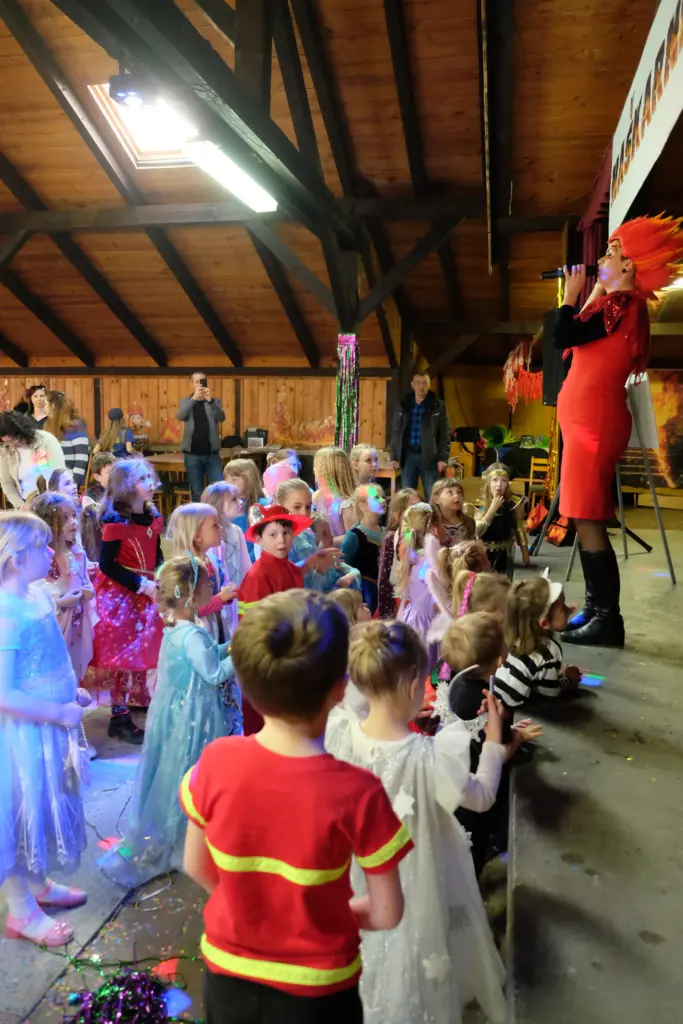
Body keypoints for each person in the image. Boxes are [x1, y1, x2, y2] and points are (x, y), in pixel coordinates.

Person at [180, 590, 411, 1024]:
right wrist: (318, 915)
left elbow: (196, 864)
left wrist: (254, 908)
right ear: (340, 689)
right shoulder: (360, 792)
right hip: (320, 991)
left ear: (246, 684)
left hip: (228, 975)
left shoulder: (214, 761)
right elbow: (386, 911)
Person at [325, 620, 506, 1024]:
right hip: (417, 879)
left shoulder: (338, 731)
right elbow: (481, 796)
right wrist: (494, 742)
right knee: (413, 941)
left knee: (372, 943)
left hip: (359, 872)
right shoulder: (430, 756)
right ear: (412, 688)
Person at [553, 216, 683, 647]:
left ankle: (608, 619)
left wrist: (569, 297)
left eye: (611, 252)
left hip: (594, 424)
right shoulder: (614, 305)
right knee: (582, 514)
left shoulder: (623, 305)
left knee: (588, 516)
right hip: (587, 422)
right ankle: (596, 609)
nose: (602, 259)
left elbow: (563, 334)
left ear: (629, 265)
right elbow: (575, 342)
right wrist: (593, 290)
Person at [99, 555, 240, 887]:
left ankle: (180, 833)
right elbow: (213, 673)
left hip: (177, 713)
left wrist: (228, 646)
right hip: (195, 718)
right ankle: (184, 840)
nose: (212, 586)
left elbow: (207, 655)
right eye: (207, 583)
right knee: (191, 771)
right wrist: (239, 654)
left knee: (175, 770)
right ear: (191, 593)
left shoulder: (177, 628)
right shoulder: (192, 635)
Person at [0, 510, 89, 947]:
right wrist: (57, 713)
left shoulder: (35, 594)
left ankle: (37, 884)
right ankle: (20, 909)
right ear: (16, 557)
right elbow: (4, 694)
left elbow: (49, 655)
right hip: (23, 735)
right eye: (41, 545)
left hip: (50, 725)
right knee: (19, 812)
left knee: (43, 802)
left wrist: (73, 691)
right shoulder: (5, 612)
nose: (51, 551)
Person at [433, 613, 543, 877]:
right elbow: (496, 753)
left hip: (455, 785)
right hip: (475, 792)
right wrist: (516, 738)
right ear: (499, 660)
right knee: (473, 849)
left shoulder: (456, 684)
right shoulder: (484, 702)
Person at [91, 459, 164, 744]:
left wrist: (160, 573)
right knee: (122, 652)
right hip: (121, 592)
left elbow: (156, 552)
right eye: (142, 479)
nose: (150, 483)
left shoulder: (152, 515)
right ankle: (118, 717)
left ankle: (137, 697)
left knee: (143, 645)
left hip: (147, 589)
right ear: (125, 487)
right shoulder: (116, 521)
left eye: (149, 477)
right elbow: (107, 564)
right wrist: (140, 584)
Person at [31, 493, 97, 688]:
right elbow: (34, 596)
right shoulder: (41, 557)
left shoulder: (77, 552)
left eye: (74, 516)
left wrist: (88, 591)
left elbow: (83, 581)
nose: (73, 523)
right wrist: (61, 602)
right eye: (65, 518)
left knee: (73, 669)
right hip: (54, 627)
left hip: (76, 625)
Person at [495, 574, 581, 709]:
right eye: (563, 608)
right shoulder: (549, 651)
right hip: (511, 706)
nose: (567, 609)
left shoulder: (513, 635)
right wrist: (568, 680)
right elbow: (550, 692)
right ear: (545, 623)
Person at [167, 502, 238, 645]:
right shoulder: (185, 567)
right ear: (197, 535)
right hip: (196, 636)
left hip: (214, 627)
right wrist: (219, 599)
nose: (221, 528)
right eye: (215, 525)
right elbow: (186, 609)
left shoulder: (210, 559)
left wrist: (224, 597)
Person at [201, 481, 251, 638]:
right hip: (224, 597)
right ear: (218, 505)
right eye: (234, 499)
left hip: (238, 593)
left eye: (239, 498)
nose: (241, 502)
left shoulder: (237, 531)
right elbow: (216, 572)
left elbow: (246, 566)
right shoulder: (214, 537)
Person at [389, 370, 450, 498]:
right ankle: (410, 512)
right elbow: (396, 432)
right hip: (408, 456)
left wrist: (443, 458)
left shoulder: (438, 406)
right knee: (407, 495)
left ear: (429, 385)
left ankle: (430, 512)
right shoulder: (404, 405)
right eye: (418, 383)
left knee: (432, 494)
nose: (421, 386)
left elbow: (444, 433)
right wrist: (394, 456)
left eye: (424, 383)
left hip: (429, 457)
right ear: (412, 385)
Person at [274, 478, 342, 587]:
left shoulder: (308, 535)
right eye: (297, 507)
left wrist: (323, 565)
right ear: (280, 507)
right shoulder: (275, 540)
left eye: (308, 507)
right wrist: (312, 561)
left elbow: (315, 579)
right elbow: (279, 578)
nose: (304, 513)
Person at [395, 503, 439, 665]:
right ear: (433, 529)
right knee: (426, 665)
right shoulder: (430, 561)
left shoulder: (412, 555)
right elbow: (437, 600)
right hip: (427, 624)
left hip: (413, 617)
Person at [177, 372, 227, 501]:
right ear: (192, 384)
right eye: (197, 382)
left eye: (202, 381)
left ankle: (217, 514)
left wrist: (210, 400)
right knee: (197, 492)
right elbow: (181, 416)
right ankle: (199, 515)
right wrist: (194, 399)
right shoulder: (185, 401)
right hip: (192, 455)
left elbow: (221, 418)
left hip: (212, 454)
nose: (200, 384)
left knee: (218, 491)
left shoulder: (215, 401)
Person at [0, 411, 66, 508]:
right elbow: (6, 482)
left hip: (51, 501)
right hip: (25, 502)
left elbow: (59, 475)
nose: (12, 444)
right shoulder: (6, 450)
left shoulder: (47, 440)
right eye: (7, 442)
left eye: (15, 438)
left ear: (23, 432)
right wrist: (20, 506)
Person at [475, 463, 529, 578]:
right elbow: (477, 531)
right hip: (485, 553)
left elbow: (519, 527)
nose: (499, 485)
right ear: (488, 482)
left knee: (505, 583)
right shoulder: (480, 505)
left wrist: (525, 553)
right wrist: (493, 508)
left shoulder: (514, 503)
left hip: (506, 552)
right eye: (495, 480)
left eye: (503, 481)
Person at [340, 484, 386, 615]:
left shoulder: (387, 533)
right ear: (362, 505)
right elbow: (343, 566)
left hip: (385, 592)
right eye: (376, 498)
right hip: (366, 596)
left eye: (383, 497)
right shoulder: (354, 536)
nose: (383, 501)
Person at [376, 487, 420, 618]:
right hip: (399, 604)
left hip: (421, 605)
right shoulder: (391, 539)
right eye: (412, 507)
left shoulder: (427, 538)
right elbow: (384, 580)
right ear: (398, 514)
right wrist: (386, 616)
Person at [223, 457, 267, 560]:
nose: (228, 484)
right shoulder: (226, 506)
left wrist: (248, 562)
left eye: (234, 480)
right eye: (226, 480)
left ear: (248, 480)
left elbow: (262, 541)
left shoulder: (261, 506)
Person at [44, 390, 89, 489]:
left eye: (46, 405)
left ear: (53, 406)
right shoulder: (50, 426)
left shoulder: (75, 426)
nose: (44, 408)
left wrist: (73, 482)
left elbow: (81, 458)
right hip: (52, 478)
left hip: (68, 479)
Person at [313, 446, 358, 541]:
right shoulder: (317, 496)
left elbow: (352, 537)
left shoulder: (347, 503)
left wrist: (325, 542)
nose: (314, 470)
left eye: (317, 467)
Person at [310, 513, 361, 593]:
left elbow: (355, 571)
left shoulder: (333, 559)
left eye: (330, 532)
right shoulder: (308, 565)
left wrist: (349, 577)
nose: (331, 536)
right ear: (311, 538)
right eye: (324, 533)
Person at [430, 478, 475, 547]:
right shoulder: (431, 524)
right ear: (436, 499)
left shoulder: (469, 522)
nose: (457, 496)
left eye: (459, 492)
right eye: (450, 492)